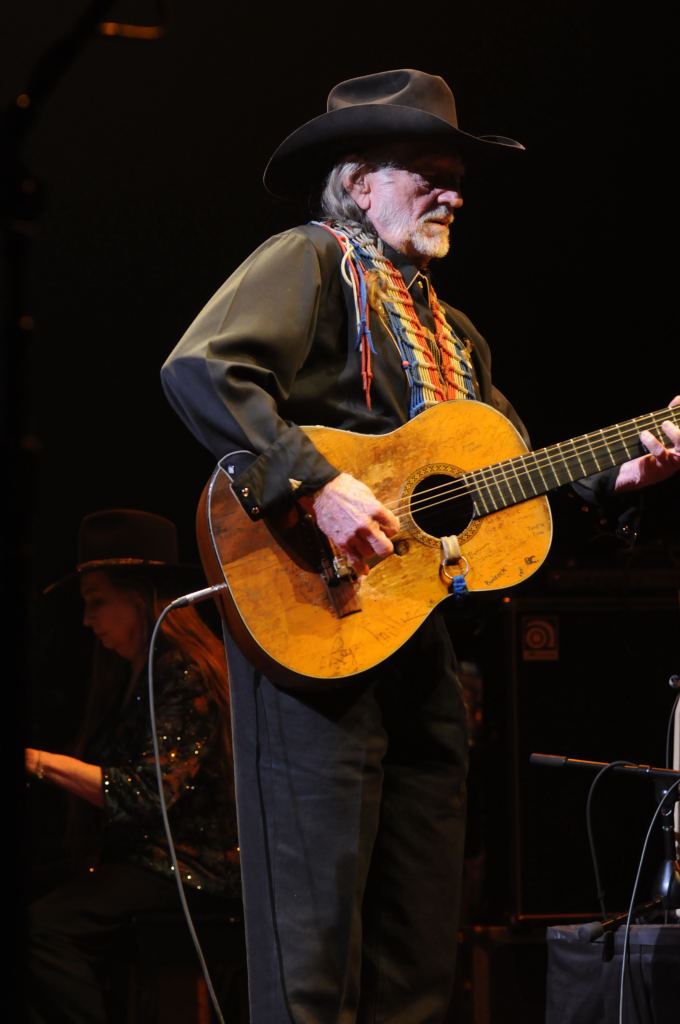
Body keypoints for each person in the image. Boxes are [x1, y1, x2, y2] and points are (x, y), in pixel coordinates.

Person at [160, 69, 680, 1024]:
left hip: (420, 645)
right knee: (314, 947)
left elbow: (510, 470)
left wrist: (614, 477)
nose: (453, 194)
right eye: (427, 173)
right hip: (314, 624)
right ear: (359, 182)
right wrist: (315, 485)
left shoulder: (453, 334)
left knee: (419, 945)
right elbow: (202, 366)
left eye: (458, 179)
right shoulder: (312, 260)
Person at [25, 508, 242, 1024]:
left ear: (141, 596)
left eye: (97, 602)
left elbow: (145, 795)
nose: (86, 620)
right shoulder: (130, 673)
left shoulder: (183, 671)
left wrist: (38, 763)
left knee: (43, 929)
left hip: (191, 869)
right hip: (146, 860)